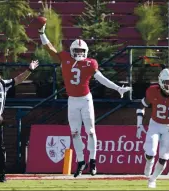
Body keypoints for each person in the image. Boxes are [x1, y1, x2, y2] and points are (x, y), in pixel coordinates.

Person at [37, 19, 132, 177]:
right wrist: (41, 34)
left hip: (85, 99)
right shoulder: (66, 59)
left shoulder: (90, 63)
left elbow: (101, 78)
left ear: (86, 52)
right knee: (74, 132)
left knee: (91, 131)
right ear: (73, 51)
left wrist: (117, 88)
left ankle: (93, 161)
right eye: (77, 51)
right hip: (72, 100)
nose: (80, 54)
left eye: (82, 51)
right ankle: (81, 161)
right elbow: (50, 49)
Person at [136, 68, 169, 188]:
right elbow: (141, 106)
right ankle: (149, 162)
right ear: (161, 82)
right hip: (155, 124)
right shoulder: (152, 91)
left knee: (164, 157)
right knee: (150, 152)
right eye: (167, 82)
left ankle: (153, 179)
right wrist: (139, 124)